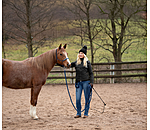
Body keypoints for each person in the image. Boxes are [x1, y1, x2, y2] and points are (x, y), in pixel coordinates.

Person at [71, 45, 94, 118]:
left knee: (87, 98)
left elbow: (91, 73)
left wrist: (91, 82)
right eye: (80, 53)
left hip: (86, 82)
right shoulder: (76, 63)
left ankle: (86, 113)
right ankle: (78, 113)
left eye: (82, 53)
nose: (80, 54)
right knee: (78, 98)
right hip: (78, 83)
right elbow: (67, 65)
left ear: (84, 55)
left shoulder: (87, 62)